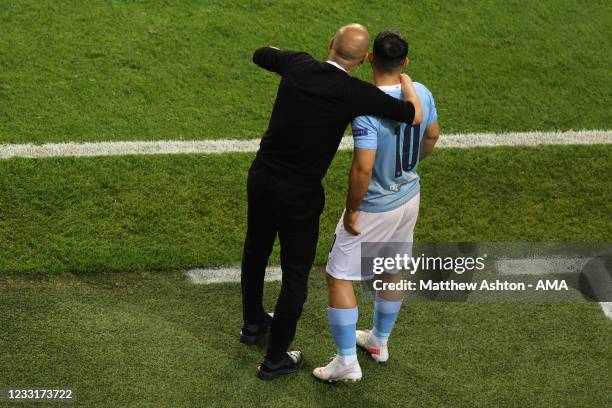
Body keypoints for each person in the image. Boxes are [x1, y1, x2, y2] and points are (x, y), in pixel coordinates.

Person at [240, 23, 423, 381]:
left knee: (255, 250)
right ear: (362, 60)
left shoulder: (297, 64)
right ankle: (275, 359)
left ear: (330, 44)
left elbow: (261, 52)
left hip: (262, 177)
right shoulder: (353, 92)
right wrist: (408, 84)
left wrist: (286, 56)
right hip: (300, 194)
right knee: (295, 273)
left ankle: (252, 324)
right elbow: (411, 115)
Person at [312, 30, 440, 382]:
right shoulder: (422, 93)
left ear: (370, 58)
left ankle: (346, 362)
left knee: (337, 276)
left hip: (374, 206)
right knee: (391, 267)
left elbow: (363, 167)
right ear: (406, 62)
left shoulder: (366, 105)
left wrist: (352, 210)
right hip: (408, 196)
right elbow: (431, 135)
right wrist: (411, 165)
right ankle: (379, 341)